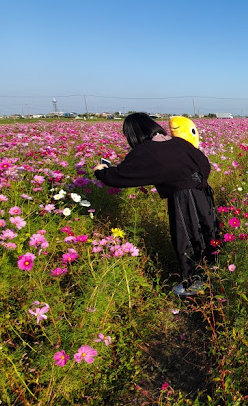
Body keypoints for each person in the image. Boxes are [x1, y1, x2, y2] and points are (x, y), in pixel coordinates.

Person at [93, 113, 219, 296]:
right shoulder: (177, 141)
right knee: (209, 232)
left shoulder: (146, 150)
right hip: (203, 192)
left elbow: (121, 175)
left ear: (133, 134)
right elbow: (203, 163)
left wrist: (101, 172)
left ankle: (194, 283)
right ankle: (214, 273)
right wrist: (197, 181)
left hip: (183, 197)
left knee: (188, 238)